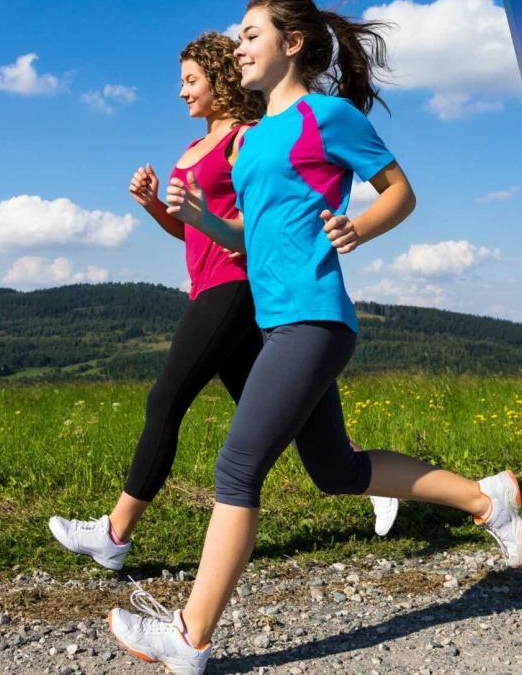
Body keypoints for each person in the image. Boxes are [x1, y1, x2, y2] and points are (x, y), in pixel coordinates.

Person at [105, 0, 522, 673]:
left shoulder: (324, 117)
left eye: (249, 35)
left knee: (237, 468)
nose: (236, 47)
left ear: (291, 43)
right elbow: (246, 237)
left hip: (315, 316)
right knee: (336, 470)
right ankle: (488, 498)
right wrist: (195, 214)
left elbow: (400, 190)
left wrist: (357, 226)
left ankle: (190, 634)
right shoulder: (253, 142)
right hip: (278, 323)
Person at [47, 32, 400, 571]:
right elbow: (194, 232)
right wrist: (154, 207)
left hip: (234, 286)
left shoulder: (246, 137)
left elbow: (253, 224)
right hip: (208, 281)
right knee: (291, 421)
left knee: (167, 398)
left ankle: (114, 534)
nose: (182, 90)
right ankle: (363, 474)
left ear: (220, 79)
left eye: (192, 79)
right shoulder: (196, 147)